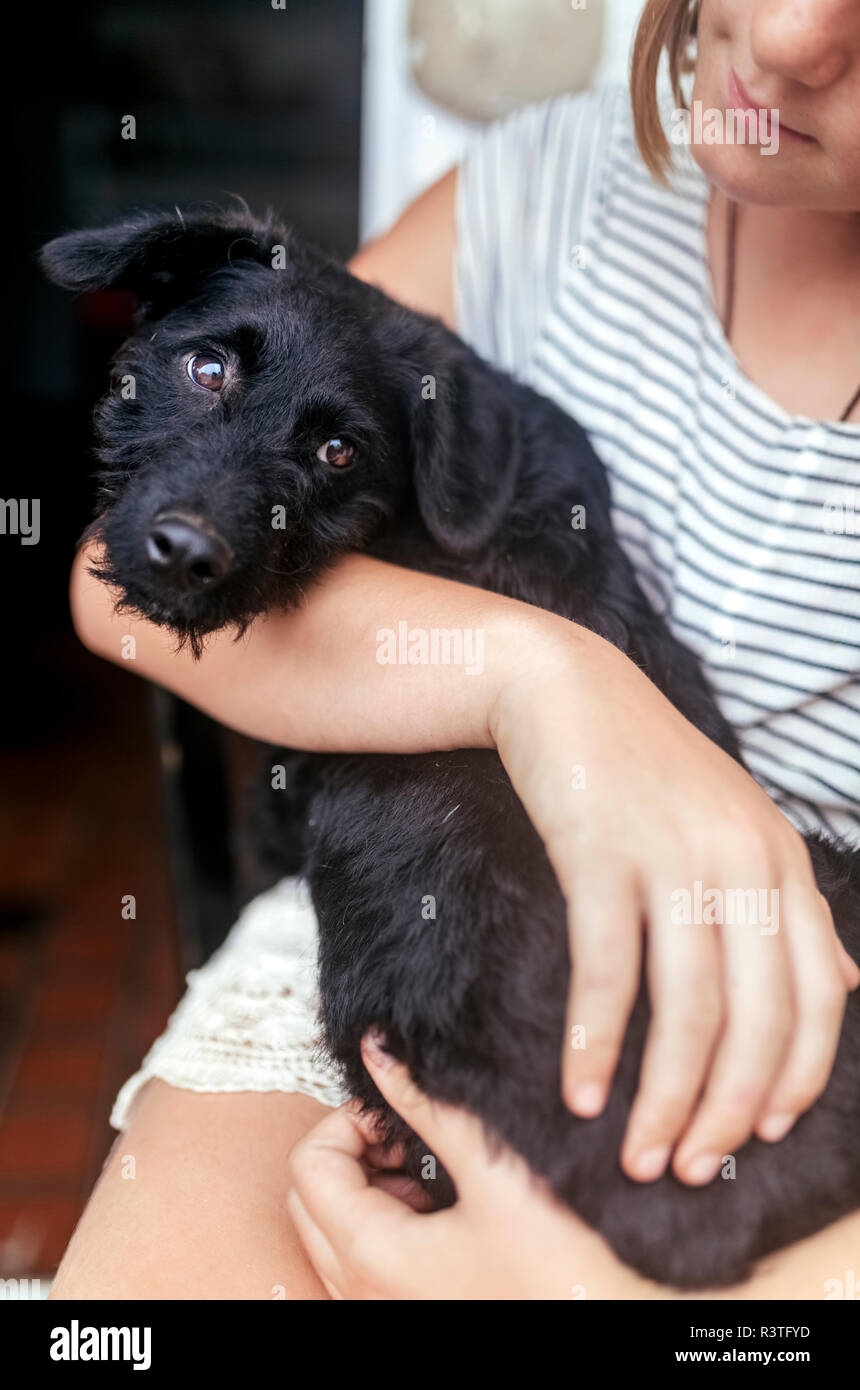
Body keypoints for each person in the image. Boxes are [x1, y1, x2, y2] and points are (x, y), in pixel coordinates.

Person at [51, 0, 859, 1299]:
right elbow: (122, 578)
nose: (783, 36)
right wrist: (543, 677)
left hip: (780, 1086)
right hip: (403, 919)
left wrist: (626, 1303)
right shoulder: (550, 183)